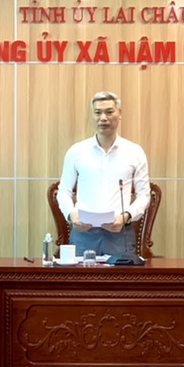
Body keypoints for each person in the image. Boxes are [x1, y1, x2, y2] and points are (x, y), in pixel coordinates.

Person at [56, 91, 150, 256]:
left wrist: (126, 216)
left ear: (119, 114)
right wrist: (71, 215)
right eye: (97, 113)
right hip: (84, 234)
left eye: (109, 112)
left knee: (122, 274)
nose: (103, 118)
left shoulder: (134, 152)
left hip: (119, 233)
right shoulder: (77, 151)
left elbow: (144, 195)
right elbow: (63, 191)